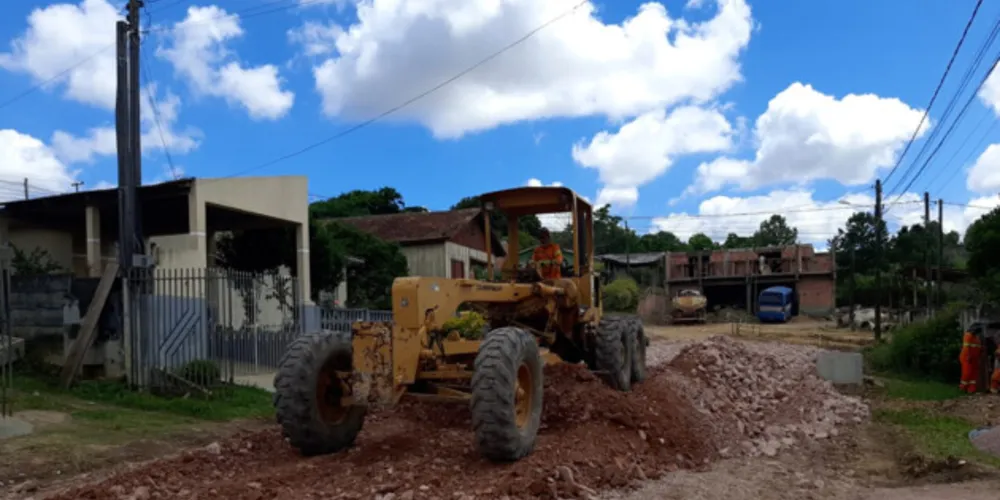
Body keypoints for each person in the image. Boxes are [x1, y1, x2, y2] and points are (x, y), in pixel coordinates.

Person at [960, 328, 982, 393]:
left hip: (974, 359)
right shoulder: (968, 335)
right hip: (967, 358)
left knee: (973, 374)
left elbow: (977, 348)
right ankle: (963, 388)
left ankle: (971, 389)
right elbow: (966, 348)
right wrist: (968, 356)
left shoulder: (976, 338)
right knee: (967, 373)